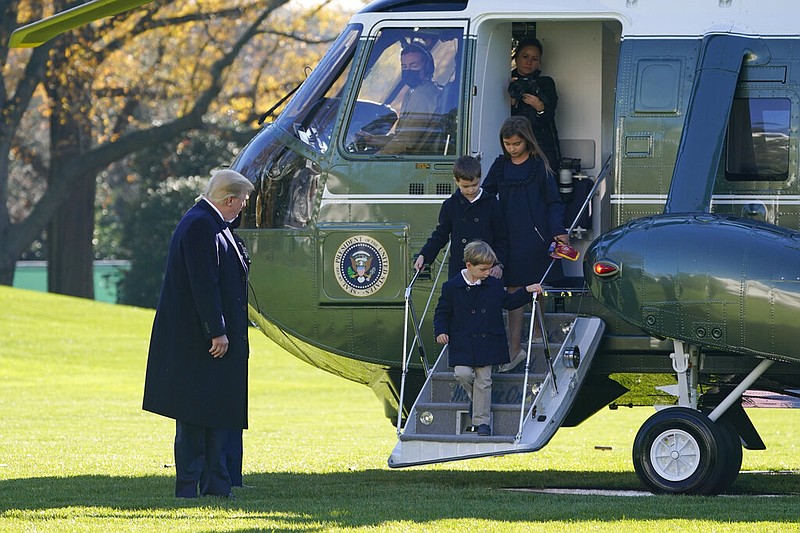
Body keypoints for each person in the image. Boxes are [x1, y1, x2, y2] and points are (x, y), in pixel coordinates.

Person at [142, 169, 254, 498]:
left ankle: (217, 484)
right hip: (201, 343)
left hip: (209, 343)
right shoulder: (200, 225)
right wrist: (216, 330)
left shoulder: (211, 223)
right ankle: (190, 486)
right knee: (195, 416)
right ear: (229, 199)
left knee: (215, 412)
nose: (243, 208)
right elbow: (202, 283)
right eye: (242, 202)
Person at [482, 116, 567, 371]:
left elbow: (554, 202)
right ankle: (515, 347)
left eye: (516, 144)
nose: (512, 149)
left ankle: (537, 336)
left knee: (533, 287)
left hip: (536, 236)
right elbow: (486, 194)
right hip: (508, 236)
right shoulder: (500, 166)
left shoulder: (539, 166)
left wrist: (558, 232)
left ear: (527, 140)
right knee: (514, 289)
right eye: (507, 144)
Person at [433, 240, 542, 436]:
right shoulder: (451, 287)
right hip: (463, 342)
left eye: (490, 268)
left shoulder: (493, 284)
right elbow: (442, 312)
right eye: (483, 269)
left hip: (488, 341)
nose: (487, 273)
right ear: (469, 266)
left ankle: (482, 422)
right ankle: (477, 401)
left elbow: (508, 302)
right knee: (462, 374)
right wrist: (440, 331)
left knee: (484, 380)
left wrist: (526, 290)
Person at [414, 155, 507, 280]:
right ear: (456, 181)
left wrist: (499, 264)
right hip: (460, 268)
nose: (471, 190)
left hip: (486, 269)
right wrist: (424, 255)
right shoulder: (450, 205)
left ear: (480, 178)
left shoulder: (491, 203)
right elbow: (440, 235)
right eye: (465, 186)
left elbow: (501, 238)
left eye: (475, 184)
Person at [357, 42, 442, 154]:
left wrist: (375, 159)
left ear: (427, 67)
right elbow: (400, 137)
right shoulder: (412, 93)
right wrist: (372, 139)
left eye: (414, 66)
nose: (408, 70)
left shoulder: (423, 96)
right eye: (404, 66)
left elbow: (406, 141)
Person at [508, 37, 561, 172]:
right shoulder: (506, 81)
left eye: (535, 59)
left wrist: (539, 106)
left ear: (539, 62)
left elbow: (548, 118)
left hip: (542, 145)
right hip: (513, 143)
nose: (529, 62)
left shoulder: (545, 83)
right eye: (525, 56)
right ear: (516, 58)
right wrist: (511, 102)